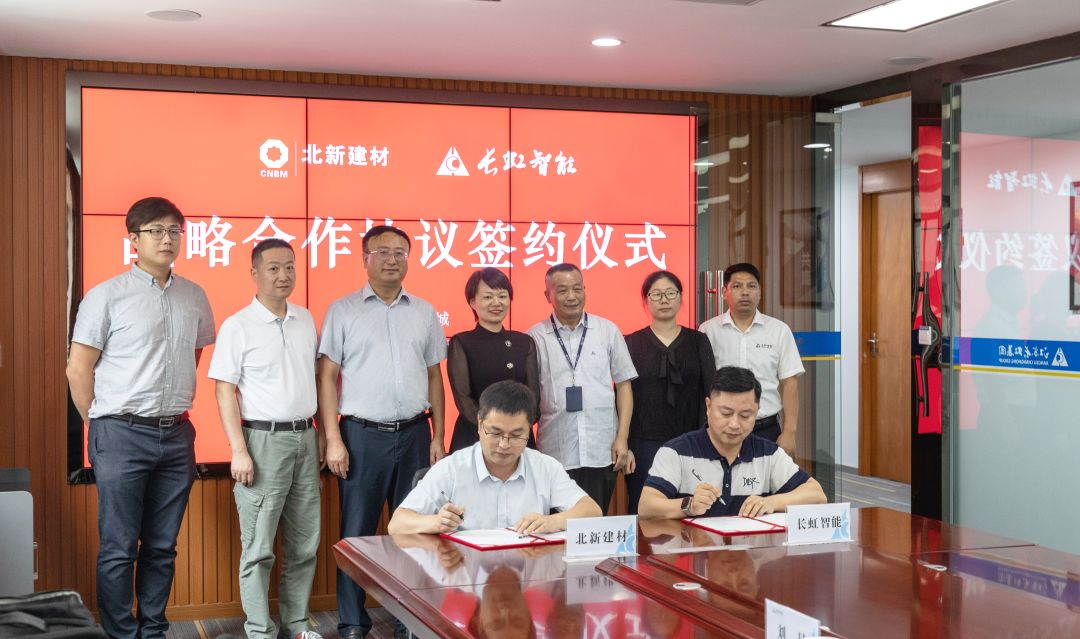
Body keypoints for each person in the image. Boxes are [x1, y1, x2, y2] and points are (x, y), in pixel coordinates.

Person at [66, 196, 215, 639]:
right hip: (120, 433)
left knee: (162, 547)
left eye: (174, 231)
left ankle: (153, 630)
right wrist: (98, 424)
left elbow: (193, 356)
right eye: (156, 231)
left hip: (176, 434)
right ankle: (121, 634)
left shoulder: (194, 295)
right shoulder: (106, 296)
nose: (167, 239)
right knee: (119, 547)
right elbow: (78, 368)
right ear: (134, 239)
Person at [316, 225, 448, 639]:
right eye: (383, 252)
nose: (393, 260)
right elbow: (327, 376)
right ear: (365, 258)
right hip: (361, 436)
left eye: (400, 252)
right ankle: (353, 623)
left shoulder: (424, 312)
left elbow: (434, 376)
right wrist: (333, 438)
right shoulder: (342, 310)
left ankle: (411, 620)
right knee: (356, 533)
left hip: (415, 434)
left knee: (415, 532)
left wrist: (438, 436)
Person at [207, 239, 322, 639]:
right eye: (273, 268)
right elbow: (224, 391)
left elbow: (315, 380)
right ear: (254, 274)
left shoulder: (305, 319)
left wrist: (325, 436)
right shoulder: (238, 325)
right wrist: (238, 450)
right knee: (258, 549)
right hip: (261, 441)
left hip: (306, 437)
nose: (283, 275)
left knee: (305, 545)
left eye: (289, 266)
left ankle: (297, 625)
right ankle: (260, 631)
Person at [388, 380, 600, 535]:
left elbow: (592, 511)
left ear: (529, 429)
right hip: (466, 574)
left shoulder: (545, 467)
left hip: (527, 574)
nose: (504, 444)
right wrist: (436, 522)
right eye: (495, 433)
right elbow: (397, 524)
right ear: (480, 424)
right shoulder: (451, 468)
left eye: (516, 435)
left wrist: (553, 521)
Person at [637, 366, 825, 519]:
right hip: (695, 551)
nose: (734, 424)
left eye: (745, 415)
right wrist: (689, 505)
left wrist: (771, 502)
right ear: (708, 406)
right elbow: (646, 506)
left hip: (750, 552)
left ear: (757, 411)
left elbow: (817, 495)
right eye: (726, 413)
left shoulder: (768, 453)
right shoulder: (676, 452)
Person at [527, 263, 637, 514]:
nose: (572, 296)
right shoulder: (535, 337)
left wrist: (622, 437)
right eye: (562, 290)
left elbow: (624, 386)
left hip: (602, 449)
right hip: (555, 450)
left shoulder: (607, 331)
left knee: (595, 520)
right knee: (557, 525)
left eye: (577, 288)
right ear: (548, 295)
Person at [624, 270, 715, 514]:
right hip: (644, 445)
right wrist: (626, 445)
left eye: (670, 293)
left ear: (681, 297)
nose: (664, 300)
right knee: (645, 511)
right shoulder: (631, 343)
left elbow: (711, 393)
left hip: (692, 442)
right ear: (646, 300)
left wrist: (709, 441)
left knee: (692, 508)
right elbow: (622, 398)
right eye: (656, 294)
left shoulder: (699, 341)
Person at [698, 263, 804, 455]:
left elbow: (789, 383)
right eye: (737, 286)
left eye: (751, 286)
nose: (745, 292)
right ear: (724, 292)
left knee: (769, 476)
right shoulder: (708, 330)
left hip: (766, 429)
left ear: (760, 292)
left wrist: (790, 432)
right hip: (720, 430)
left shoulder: (779, 331)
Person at [447, 267, 539, 452]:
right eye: (488, 297)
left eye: (502, 296)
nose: (496, 302)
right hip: (475, 436)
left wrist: (516, 430)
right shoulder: (462, 342)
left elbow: (533, 395)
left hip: (517, 437)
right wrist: (493, 432)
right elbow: (463, 398)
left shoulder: (524, 342)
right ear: (472, 302)